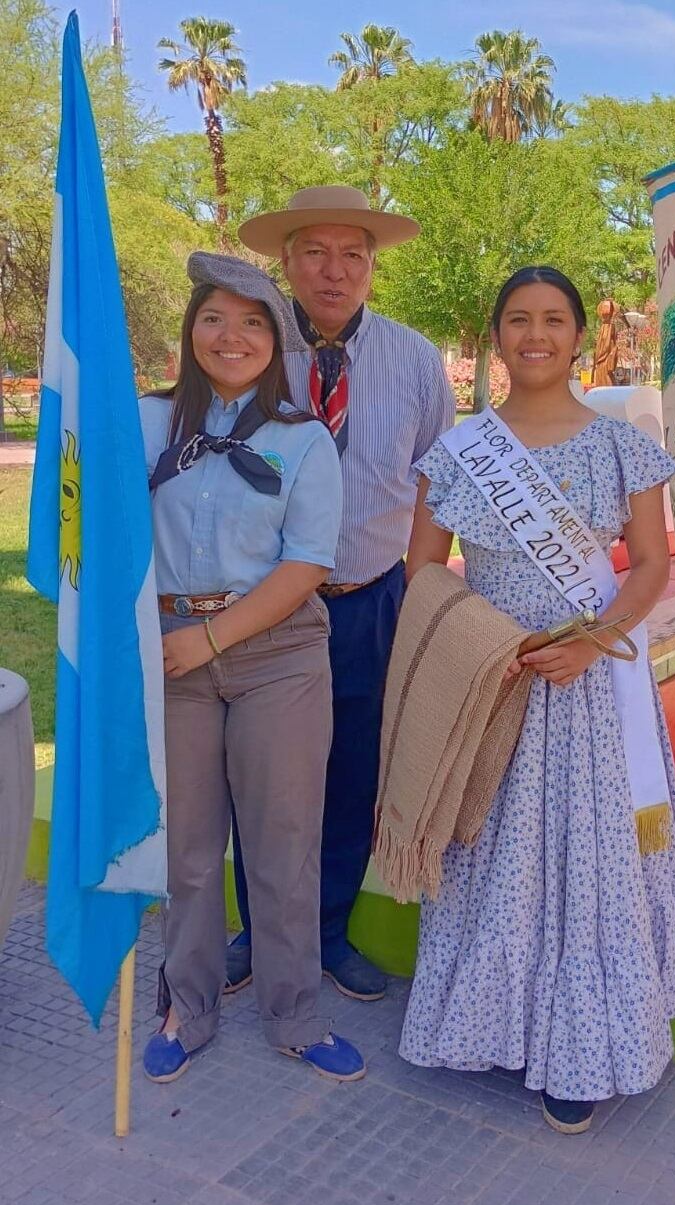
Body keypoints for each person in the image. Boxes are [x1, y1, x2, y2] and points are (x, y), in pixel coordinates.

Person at [399, 266, 675, 1134]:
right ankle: (490, 1025)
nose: (534, 334)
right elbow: (422, 570)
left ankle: (583, 1049)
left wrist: (591, 639)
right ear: (495, 336)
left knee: (589, 858)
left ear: (579, 335)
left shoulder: (623, 446)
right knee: (494, 850)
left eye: (553, 319)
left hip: (591, 686)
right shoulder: (460, 454)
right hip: (495, 685)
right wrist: (482, 645)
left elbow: (652, 563)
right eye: (517, 319)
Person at [140, 252, 364, 1083]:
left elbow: (307, 564)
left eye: (252, 321)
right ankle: (186, 1008)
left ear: (277, 341)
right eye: (213, 318)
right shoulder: (144, 423)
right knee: (188, 851)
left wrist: (211, 638)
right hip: (171, 654)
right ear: (191, 329)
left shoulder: (304, 440)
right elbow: (96, 527)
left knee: (281, 846)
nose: (231, 336)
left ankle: (295, 1015)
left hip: (278, 658)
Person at [231, 187, 456, 1000]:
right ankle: (259, 934)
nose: (335, 272)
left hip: (369, 600)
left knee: (351, 774)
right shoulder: (246, 349)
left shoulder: (415, 359)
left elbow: (441, 476)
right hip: (262, 606)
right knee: (261, 776)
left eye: (353, 255)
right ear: (285, 261)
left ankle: (327, 931)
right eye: (316, 253)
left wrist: (425, 590)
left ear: (372, 266)